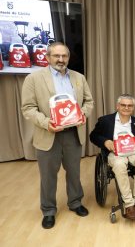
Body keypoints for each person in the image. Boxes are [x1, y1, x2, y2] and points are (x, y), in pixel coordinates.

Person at [21, 42, 94, 229]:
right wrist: (47, 124)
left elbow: (88, 101)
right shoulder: (33, 79)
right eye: (56, 56)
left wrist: (82, 114)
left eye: (64, 56)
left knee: (74, 172)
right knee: (48, 176)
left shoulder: (79, 77)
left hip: (73, 134)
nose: (61, 60)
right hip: (48, 134)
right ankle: (48, 210)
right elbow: (28, 108)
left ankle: (75, 202)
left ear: (68, 58)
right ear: (47, 57)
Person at [89, 94, 135, 220]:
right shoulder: (106, 120)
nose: (126, 108)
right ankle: (129, 203)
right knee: (119, 164)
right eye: (123, 105)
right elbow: (93, 136)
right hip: (115, 152)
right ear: (117, 106)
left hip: (133, 151)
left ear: (133, 108)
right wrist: (106, 142)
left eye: (129, 106)